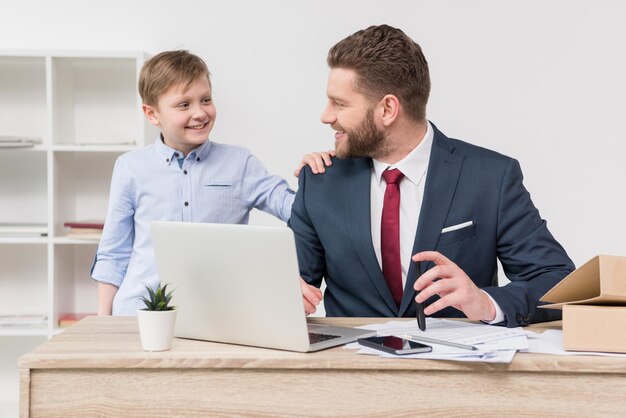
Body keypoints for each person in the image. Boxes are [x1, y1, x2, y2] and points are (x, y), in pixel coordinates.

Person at [290, 25, 575, 327]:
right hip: (350, 368)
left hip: (456, 370)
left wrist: (486, 302)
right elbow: (287, 283)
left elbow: (559, 283)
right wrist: (284, 295)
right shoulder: (320, 181)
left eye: (340, 103)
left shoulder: (490, 178)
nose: (326, 116)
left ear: (388, 108)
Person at [92, 50, 330, 316]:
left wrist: (318, 174)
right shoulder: (130, 167)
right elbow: (114, 253)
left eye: (206, 100)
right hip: (139, 315)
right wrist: (103, 322)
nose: (200, 113)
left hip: (219, 315)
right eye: (184, 105)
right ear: (152, 113)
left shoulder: (239, 163)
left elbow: (298, 210)